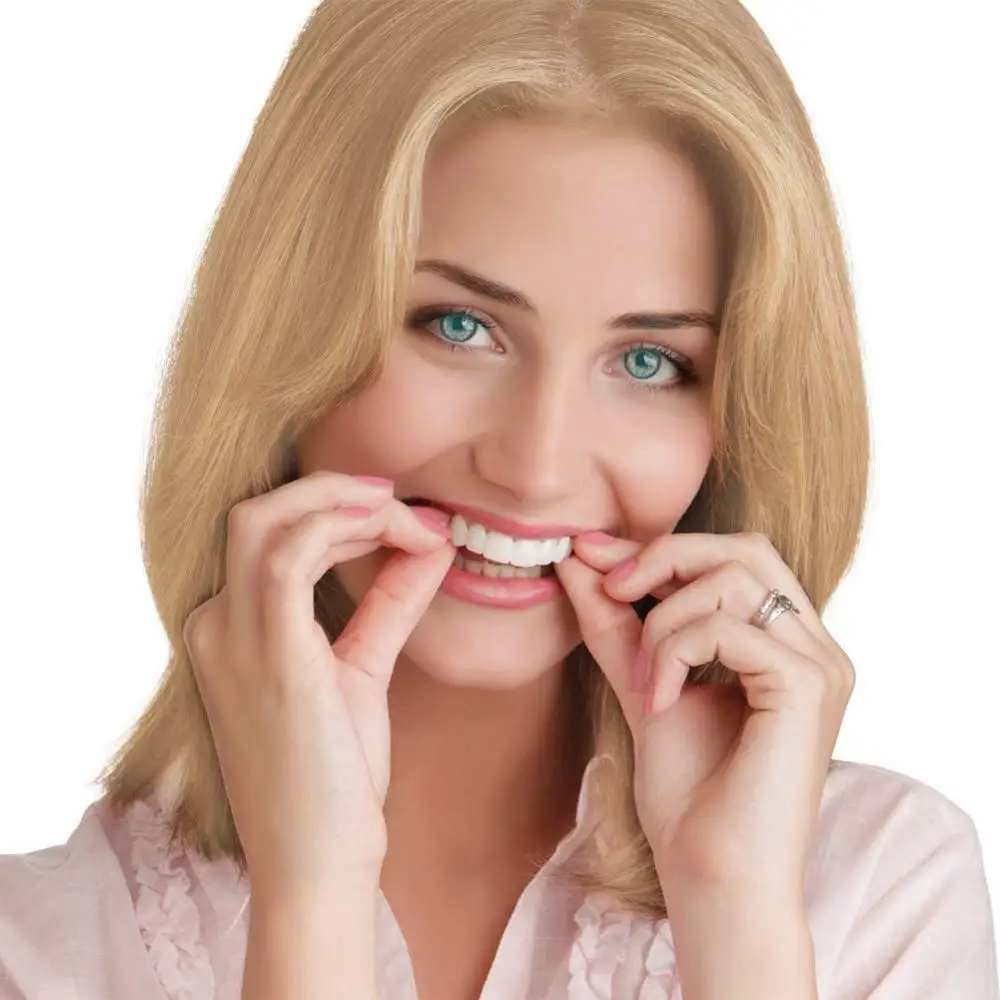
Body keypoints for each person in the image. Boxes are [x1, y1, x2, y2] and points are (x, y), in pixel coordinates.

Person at [1, 0, 997, 998]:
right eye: (459, 326)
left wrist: (733, 909)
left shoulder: (883, 893)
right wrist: (312, 891)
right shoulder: (35, 950)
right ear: (285, 328)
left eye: (647, 361)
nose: (535, 466)